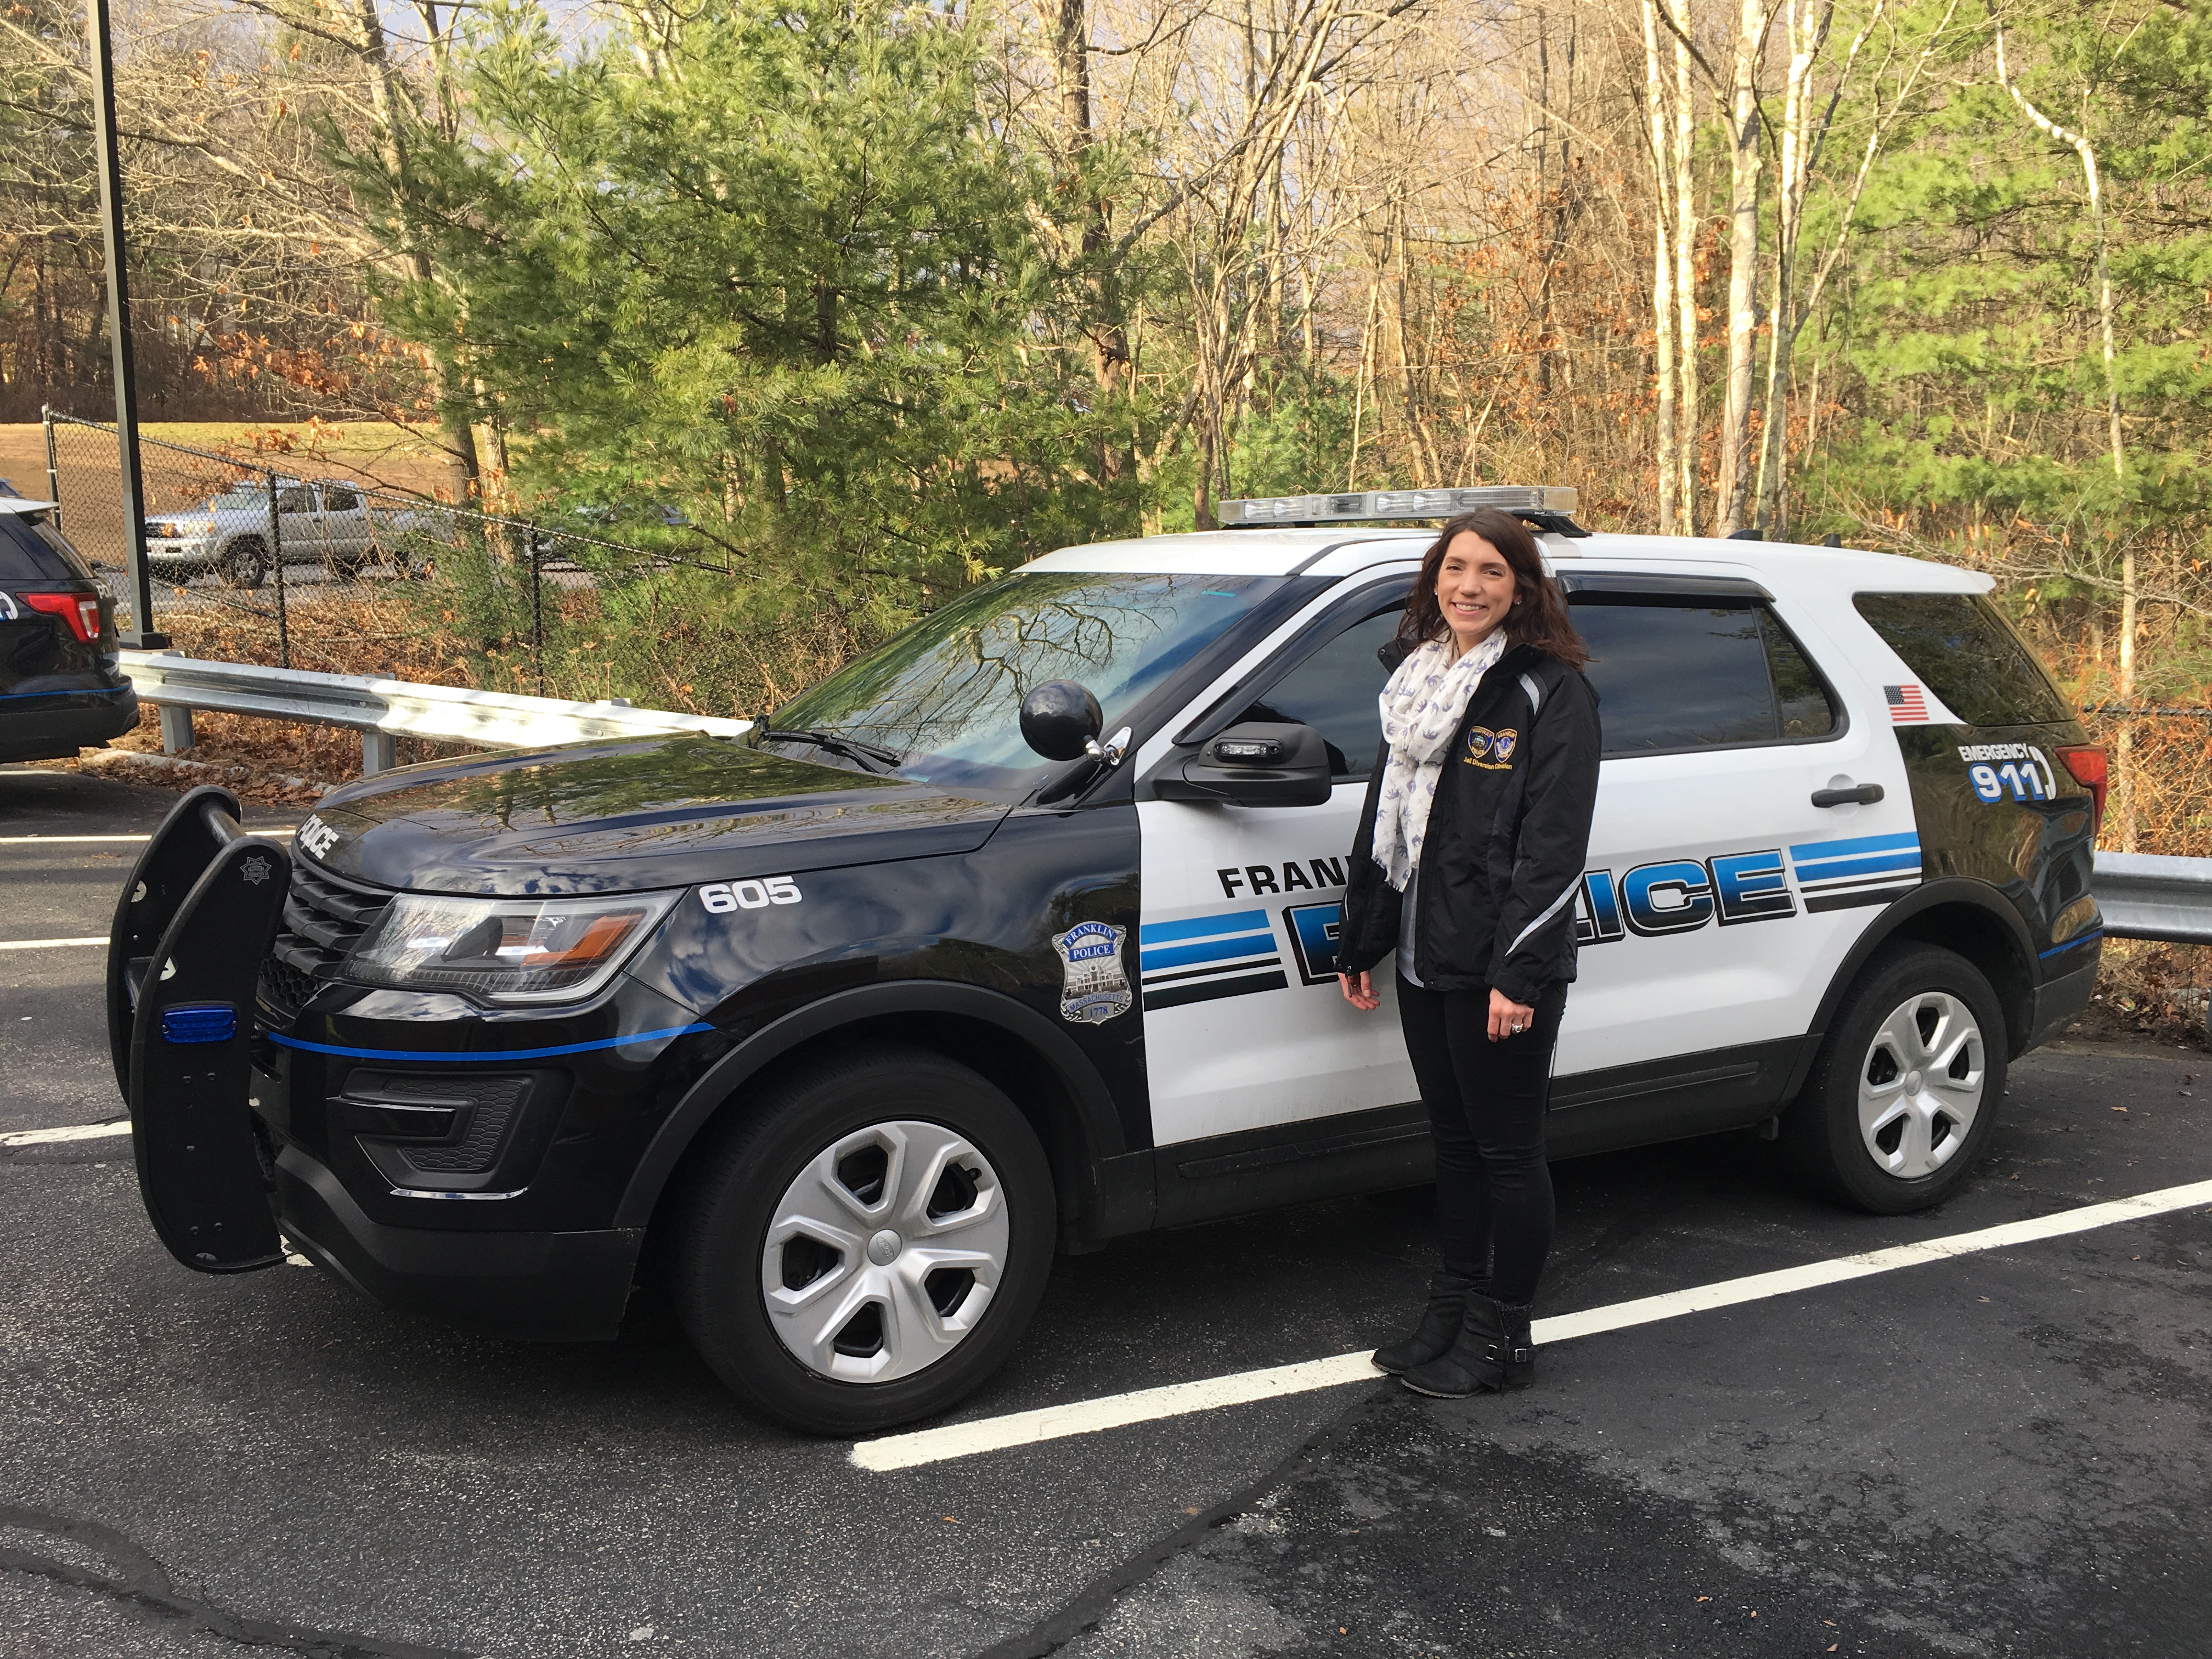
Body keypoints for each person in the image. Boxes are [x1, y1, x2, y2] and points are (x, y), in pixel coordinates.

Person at [1335, 507, 1600, 1398]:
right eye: (1456, 568)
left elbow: (1553, 847)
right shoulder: (1418, 681)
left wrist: (1517, 974)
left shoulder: (1549, 691)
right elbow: (1387, 824)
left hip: (1499, 968)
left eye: (1492, 571)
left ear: (1523, 587)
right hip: (1423, 950)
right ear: (1433, 578)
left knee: (1508, 1151)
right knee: (1452, 1143)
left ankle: (1502, 1335)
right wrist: (1362, 940)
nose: (1469, 587)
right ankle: (1451, 1304)